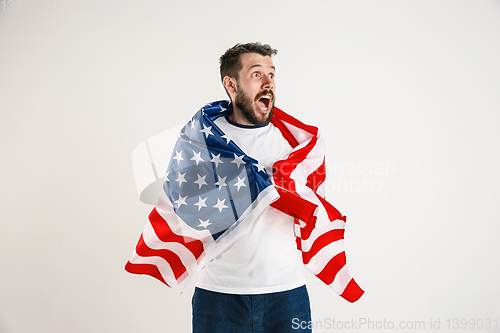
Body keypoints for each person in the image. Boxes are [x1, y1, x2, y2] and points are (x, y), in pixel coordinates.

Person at [191, 42, 312, 333]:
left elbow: (310, 206)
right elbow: (187, 208)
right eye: (257, 74)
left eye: (272, 73)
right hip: (219, 295)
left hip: (287, 293)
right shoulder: (202, 141)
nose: (269, 82)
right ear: (230, 85)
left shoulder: (296, 144)